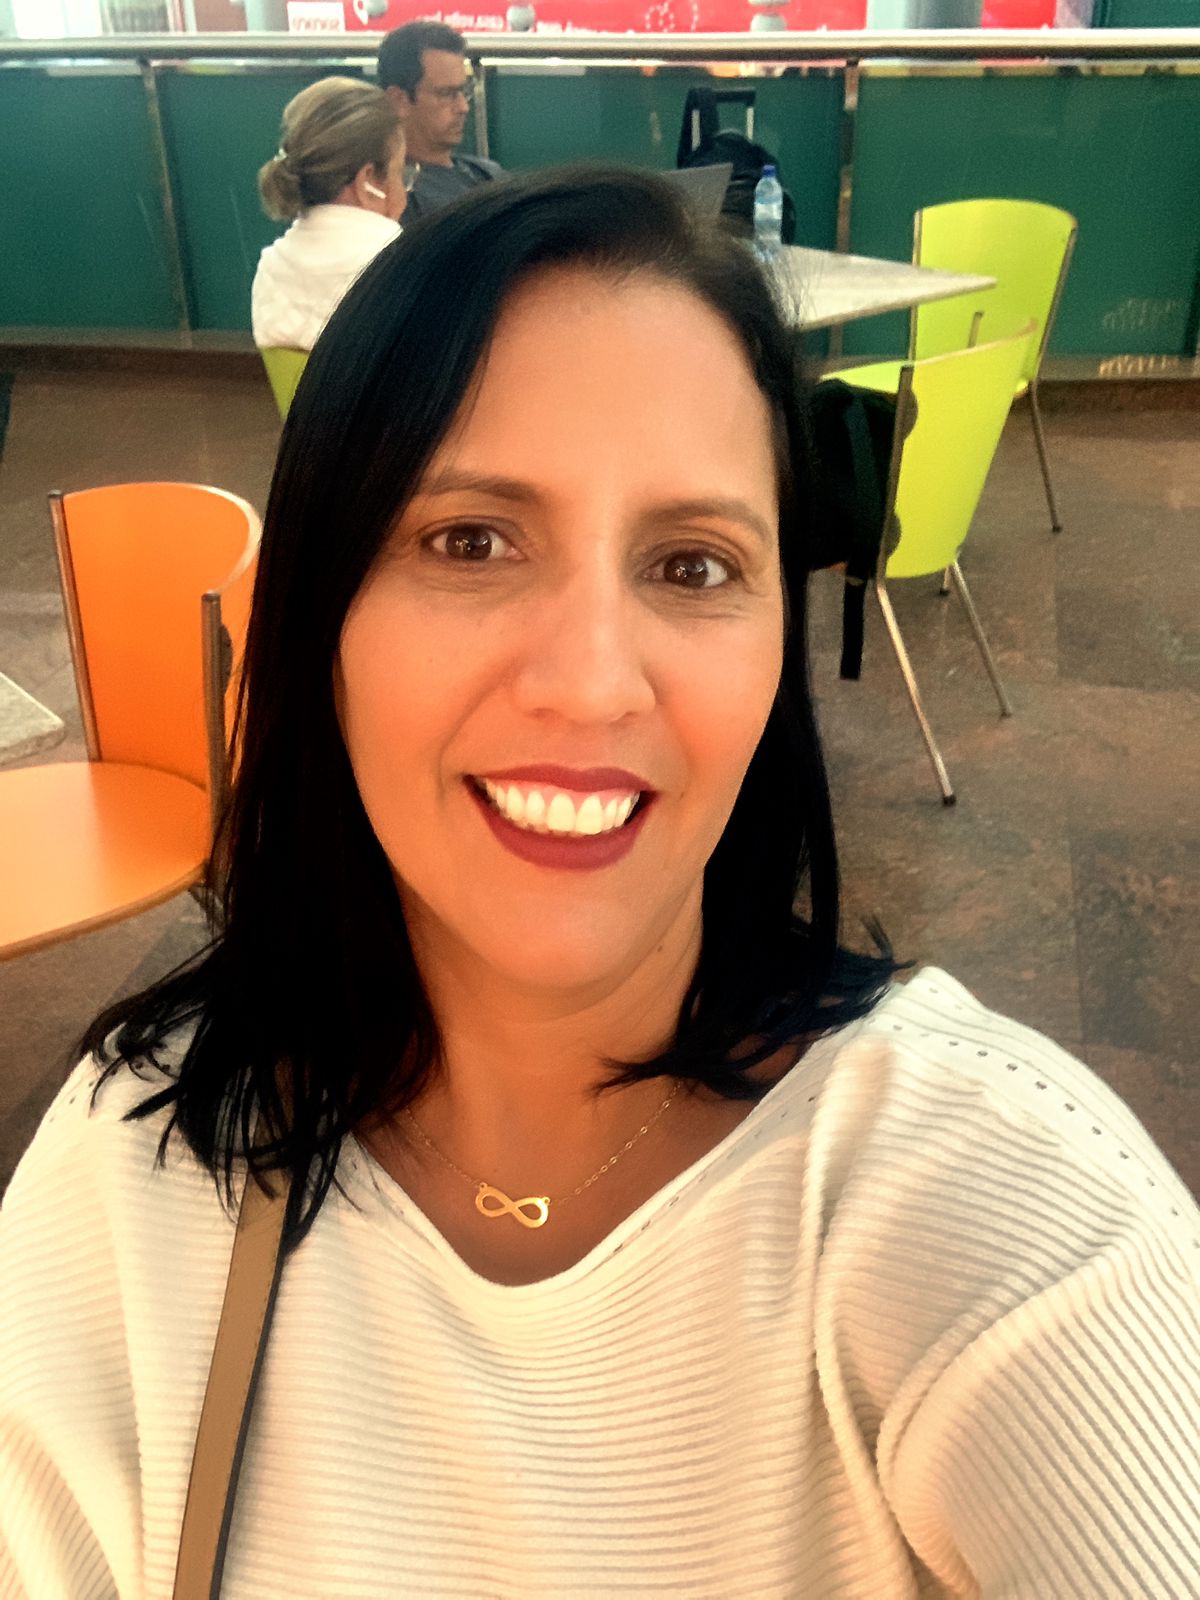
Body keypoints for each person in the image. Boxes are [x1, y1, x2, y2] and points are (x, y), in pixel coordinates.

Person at [2, 167, 1198, 1597]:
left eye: (692, 565)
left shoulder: (1001, 1206)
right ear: (323, 613)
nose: (589, 681)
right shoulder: (133, 1166)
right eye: (469, 541)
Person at [251, 75, 407, 352]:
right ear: (367, 181)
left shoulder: (270, 267)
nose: (404, 190)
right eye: (399, 173)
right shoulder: (399, 263)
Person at [377, 20, 504, 222]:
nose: (463, 107)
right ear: (399, 100)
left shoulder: (487, 173)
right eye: (445, 94)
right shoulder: (391, 197)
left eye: (463, 91)